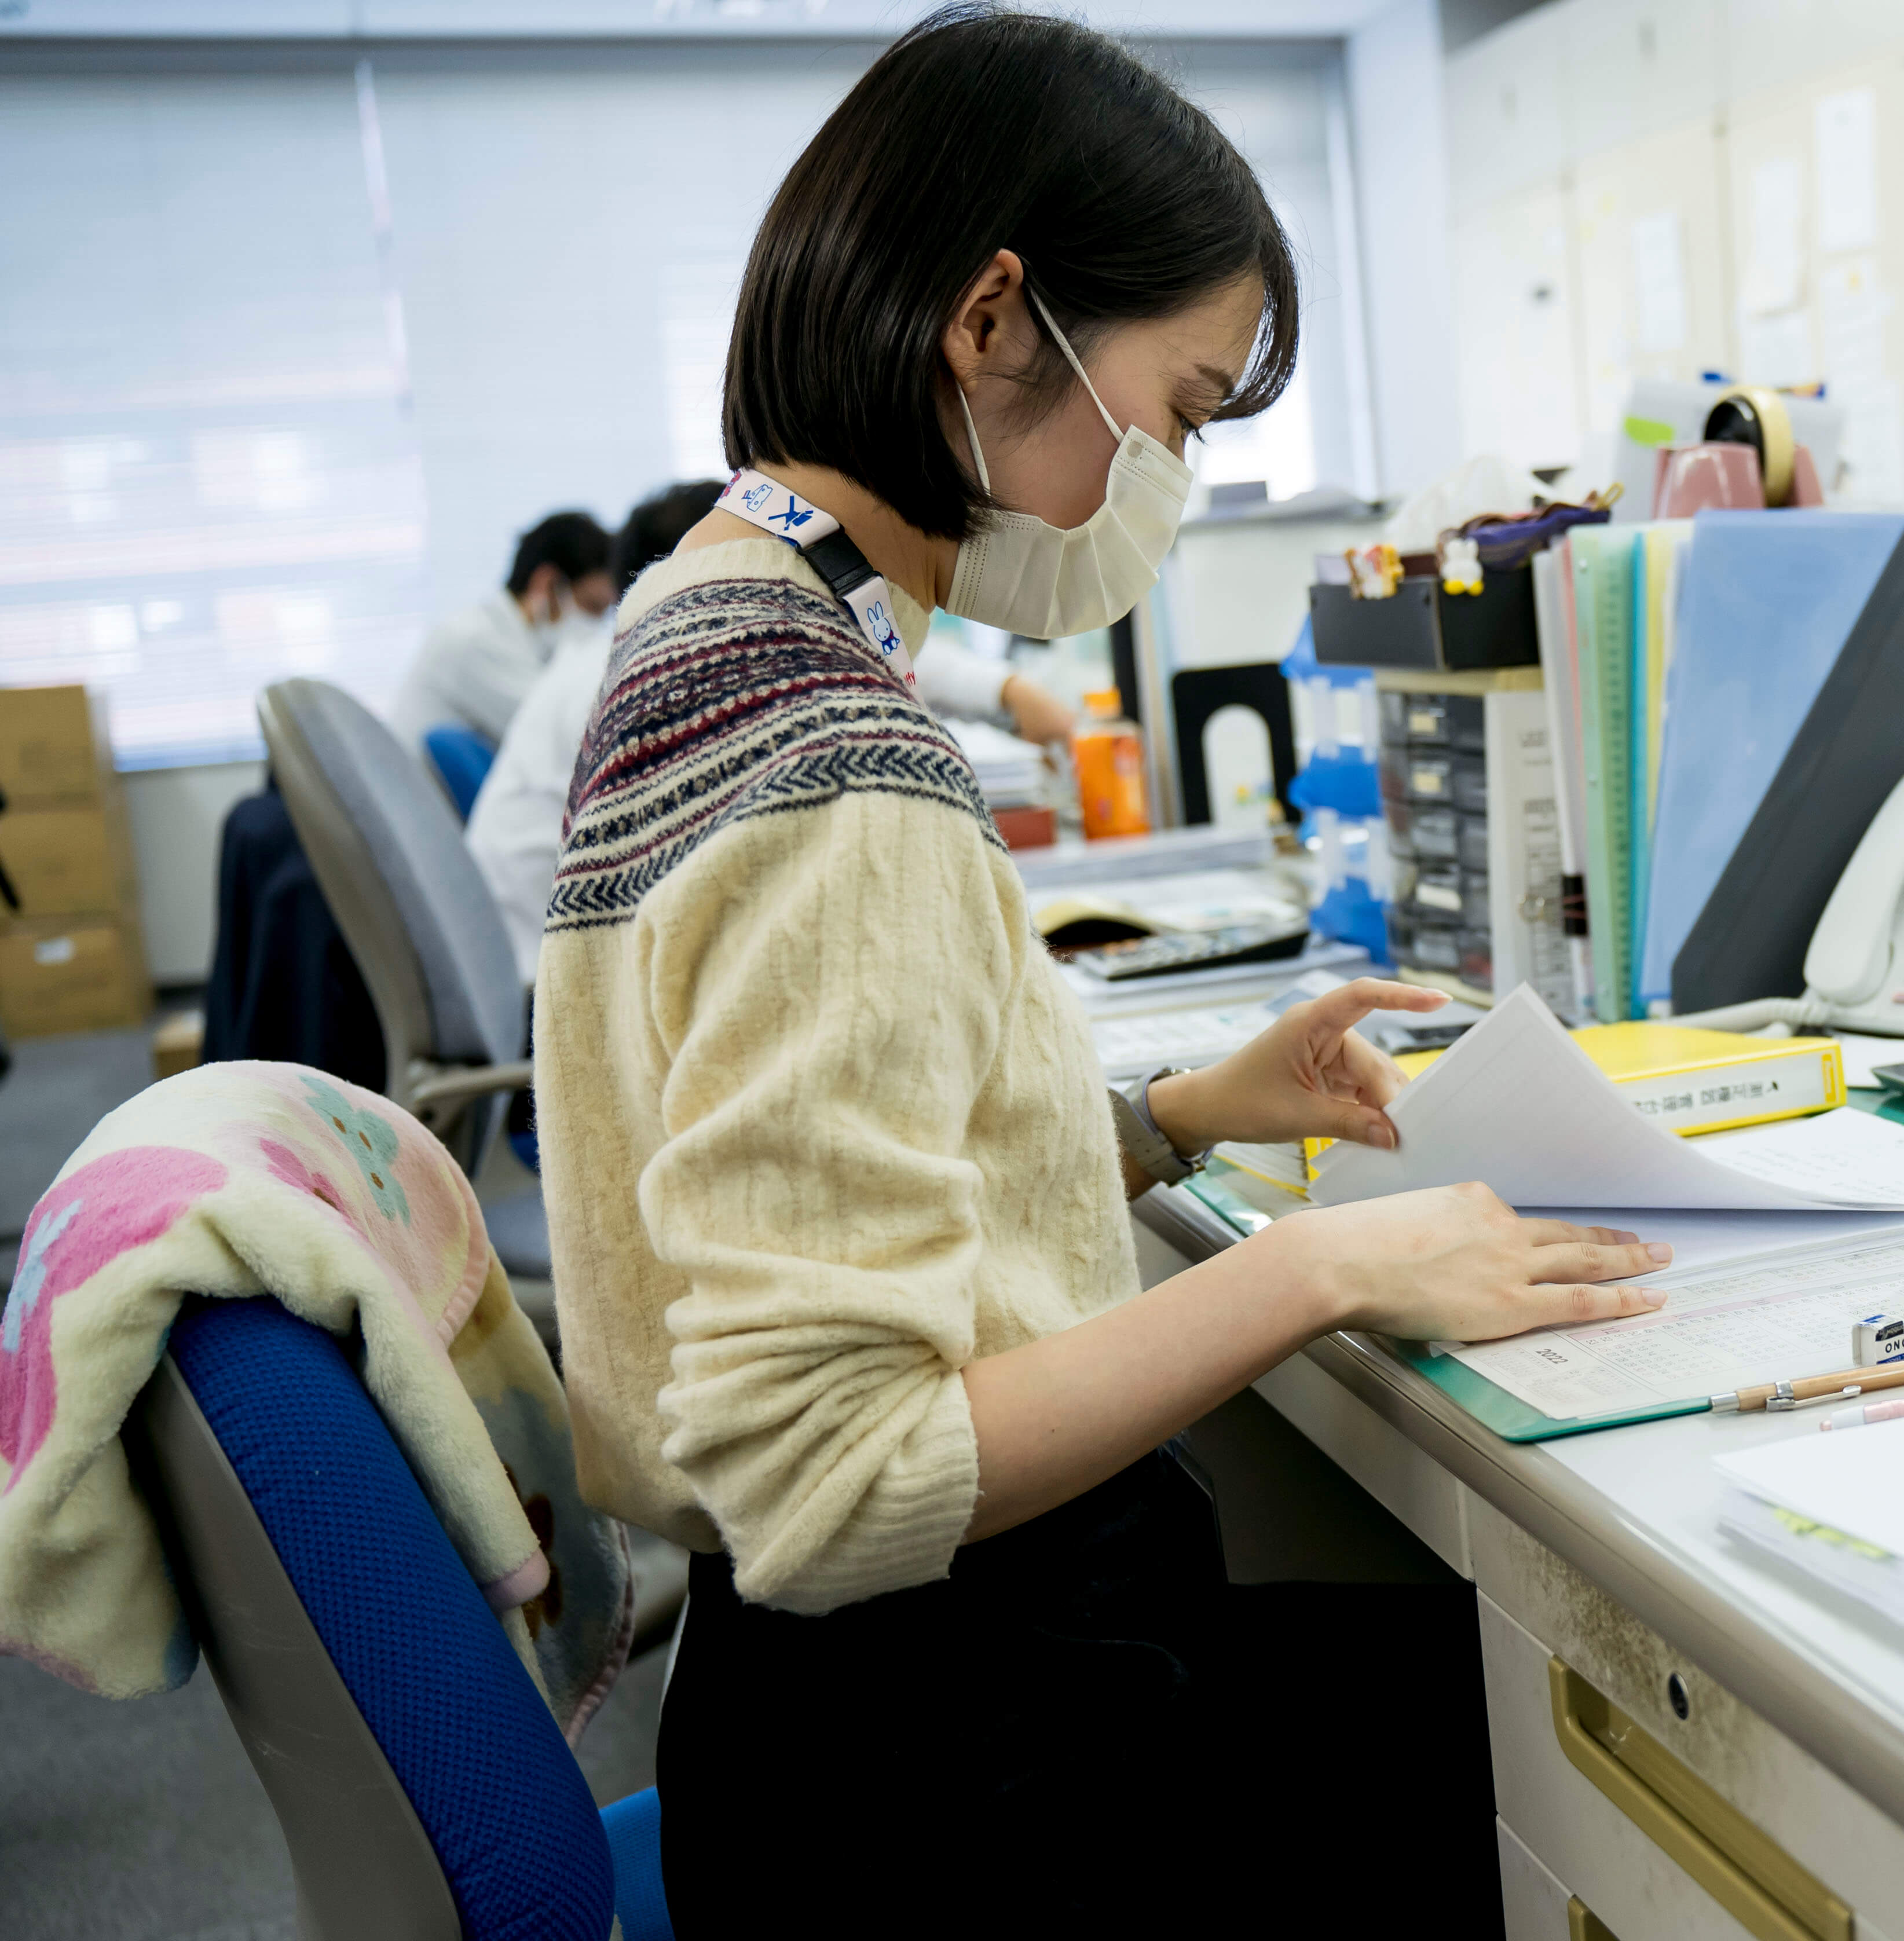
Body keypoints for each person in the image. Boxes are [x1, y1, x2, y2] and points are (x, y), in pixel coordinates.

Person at [533, 10, 1661, 1930]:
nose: (1180, 473)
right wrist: (1327, 1264)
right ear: (994, 323)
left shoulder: (705, 617)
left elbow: (799, 1179)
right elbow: (838, 1478)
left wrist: (1158, 1122)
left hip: (816, 1737)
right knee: (1563, 1746)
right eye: (1190, 406)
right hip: (959, 1768)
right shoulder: (840, 768)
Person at [467, 481, 1085, 976]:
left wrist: (1007, 692)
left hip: (556, 957)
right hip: (552, 981)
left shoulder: (633, 647)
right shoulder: (665, 667)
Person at [390, 508, 613, 748]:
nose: (597, 623)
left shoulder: (519, 642)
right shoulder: (475, 640)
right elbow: (567, 734)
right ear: (547, 583)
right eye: (593, 607)